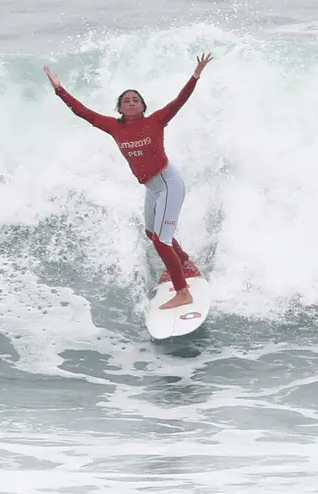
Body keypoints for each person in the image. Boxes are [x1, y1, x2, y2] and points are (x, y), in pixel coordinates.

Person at [43, 53, 213, 310]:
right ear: (120, 108)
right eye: (126, 101)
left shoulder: (156, 120)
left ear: (143, 106)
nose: (131, 103)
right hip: (152, 187)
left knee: (161, 240)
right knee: (151, 232)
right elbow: (85, 113)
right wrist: (59, 89)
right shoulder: (114, 127)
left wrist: (195, 75)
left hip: (168, 182)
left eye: (135, 100)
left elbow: (179, 101)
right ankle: (186, 265)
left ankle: (183, 292)